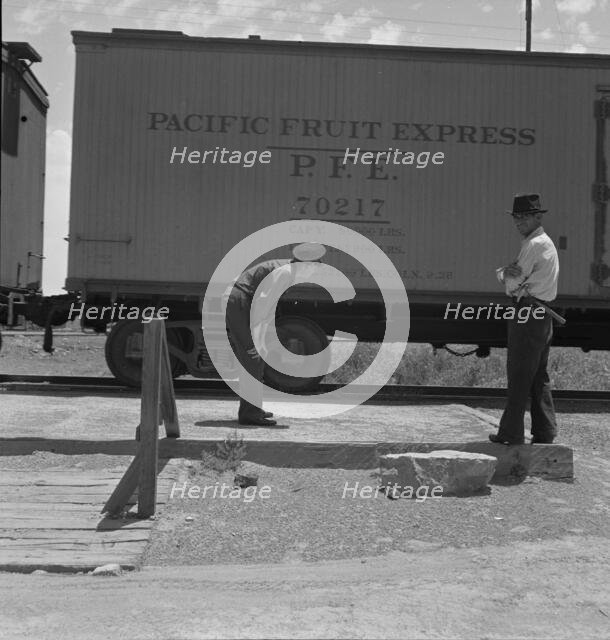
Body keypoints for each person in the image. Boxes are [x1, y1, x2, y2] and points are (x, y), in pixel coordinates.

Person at [225, 242, 326, 426]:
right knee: (252, 356)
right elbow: (262, 306)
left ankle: (253, 409)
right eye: (316, 267)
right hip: (239, 301)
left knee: (257, 358)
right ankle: (249, 415)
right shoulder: (285, 273)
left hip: (244, 302)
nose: (316, 272)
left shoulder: (287, 270)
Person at [490, 193, 559, 445]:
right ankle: (544, 431)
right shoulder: (542, 242)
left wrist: (502, 273)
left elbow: (512, 282)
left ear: (537, 217)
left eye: (524, 217)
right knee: (537, 375)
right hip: (541, 313)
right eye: (516, 217)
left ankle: (510, 433)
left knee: (519, 372)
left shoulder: (533, 245)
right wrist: (506, 273)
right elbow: (513, 276)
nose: (518, 222)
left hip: (527, 313)